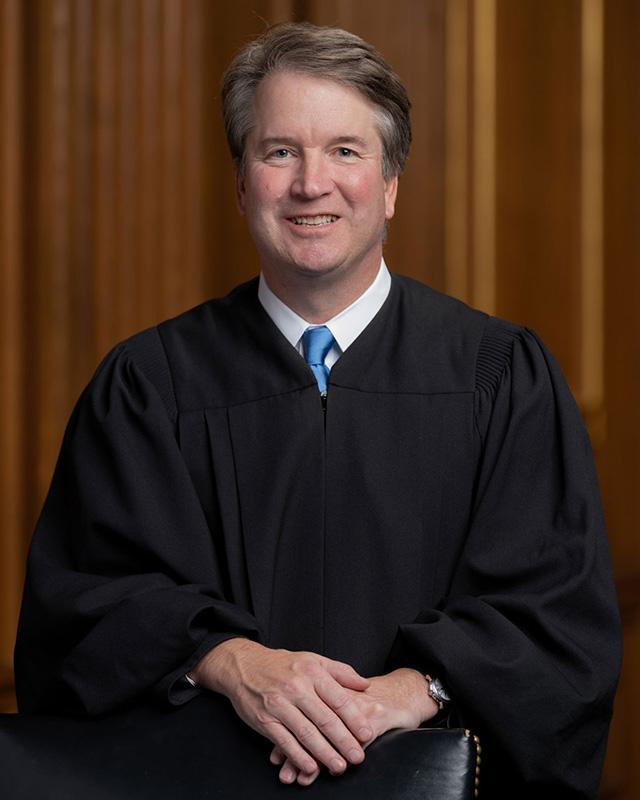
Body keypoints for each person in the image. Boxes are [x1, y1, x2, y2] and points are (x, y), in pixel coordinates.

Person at [14, 22, 621, 799]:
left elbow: (559, 623)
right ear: (241, 185)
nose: (310, 184)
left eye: (344, 150)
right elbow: (80, 615)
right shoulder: (148, 387)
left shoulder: (499, 377)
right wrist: (231, 662)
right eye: (278, 152)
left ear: (391, 184)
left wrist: (419, 688)